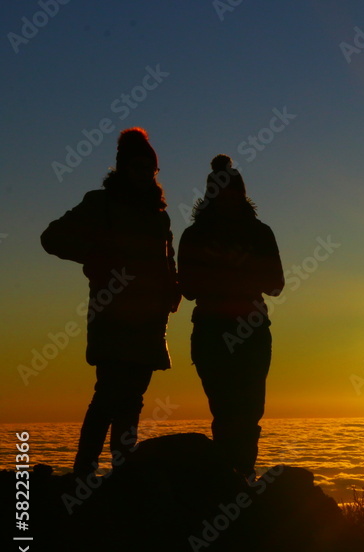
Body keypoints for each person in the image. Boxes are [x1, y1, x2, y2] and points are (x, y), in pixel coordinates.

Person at [41, 127, 180, 476]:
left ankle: (122, 474)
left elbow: (168, 261)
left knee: (132, 401)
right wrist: (94, 256)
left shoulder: (159, 216)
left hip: (150, 321)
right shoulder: (100, 203)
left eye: (151, 169)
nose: (145, 174)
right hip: (113, 317)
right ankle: (83, 474)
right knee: (107, 397)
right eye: (138, 167)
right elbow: (52, 237)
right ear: (122, 167)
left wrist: (172, 289)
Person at [178, 155, 284, 480]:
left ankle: (239, 480)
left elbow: (276, 284)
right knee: (229, 412)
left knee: (245, 412)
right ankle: (233, 482)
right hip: (218, 332)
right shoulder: (197, 235)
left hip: (243, 332)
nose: (226, 197)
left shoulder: (252, 233)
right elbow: (189, 289)